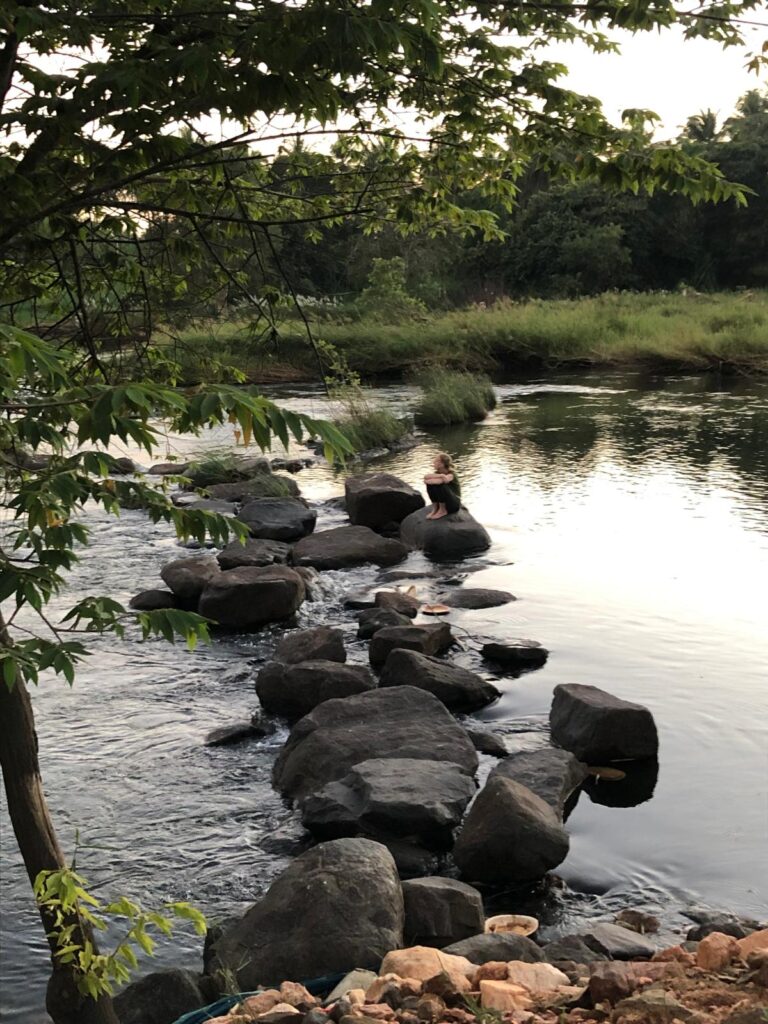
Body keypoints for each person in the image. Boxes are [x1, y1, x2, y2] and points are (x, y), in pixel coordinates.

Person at [423, 452, 461, 519]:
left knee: (440, 485)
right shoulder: (438, 473)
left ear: (442, 464)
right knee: (430, 485)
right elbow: (426, 477)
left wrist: (431, 480)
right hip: (446, 501)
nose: (433, 462)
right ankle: (435, 508)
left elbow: (440, 481)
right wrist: (441, 475)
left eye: (436, 461)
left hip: (453, 504)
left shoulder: (451, 474)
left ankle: (442, 510)